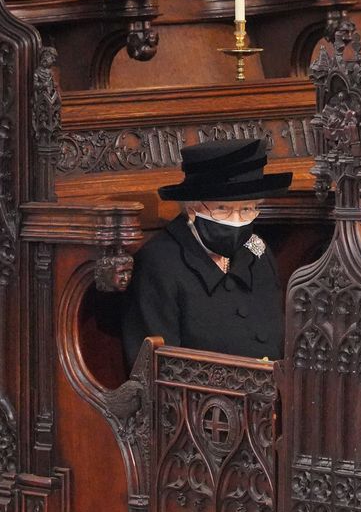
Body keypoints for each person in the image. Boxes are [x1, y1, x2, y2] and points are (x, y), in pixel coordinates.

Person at [122, 139, 292, 368]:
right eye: (223, 209)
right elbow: (156, 368)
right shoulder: (160, 263)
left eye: (247, 209)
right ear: (192, 208)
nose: (237, 221)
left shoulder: (257, 251)